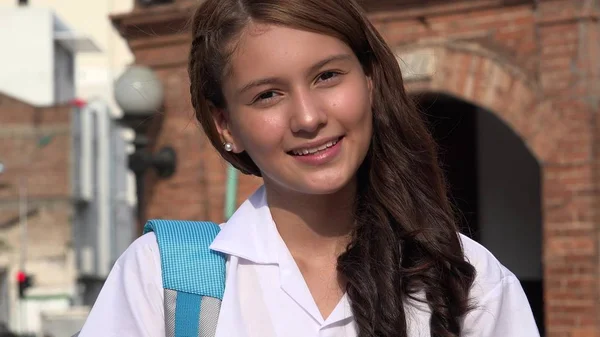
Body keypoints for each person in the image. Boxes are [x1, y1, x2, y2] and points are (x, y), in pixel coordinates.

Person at [78, 0, 540, 336]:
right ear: (226, 125)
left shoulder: (467, 281)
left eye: (327, 76)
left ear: (371, 80)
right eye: (267, 95)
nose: (307, 117)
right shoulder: (164, 281)